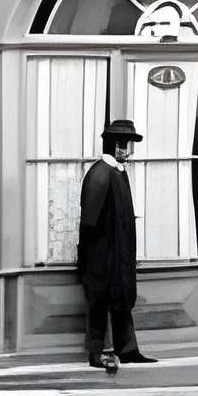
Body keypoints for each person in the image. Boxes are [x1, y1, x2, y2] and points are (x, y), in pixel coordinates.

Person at [79, 117, 150, 372]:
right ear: (112, 145)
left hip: (118, 251)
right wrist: (97, 260)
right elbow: (90, 224)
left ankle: (128, 349)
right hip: (103, 255)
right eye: (123, 145)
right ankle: (96, 353)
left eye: (128, 145)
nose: (127, 151)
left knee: (121, 299)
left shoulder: (116, 172)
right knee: (99, 302)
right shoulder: (100, 174)